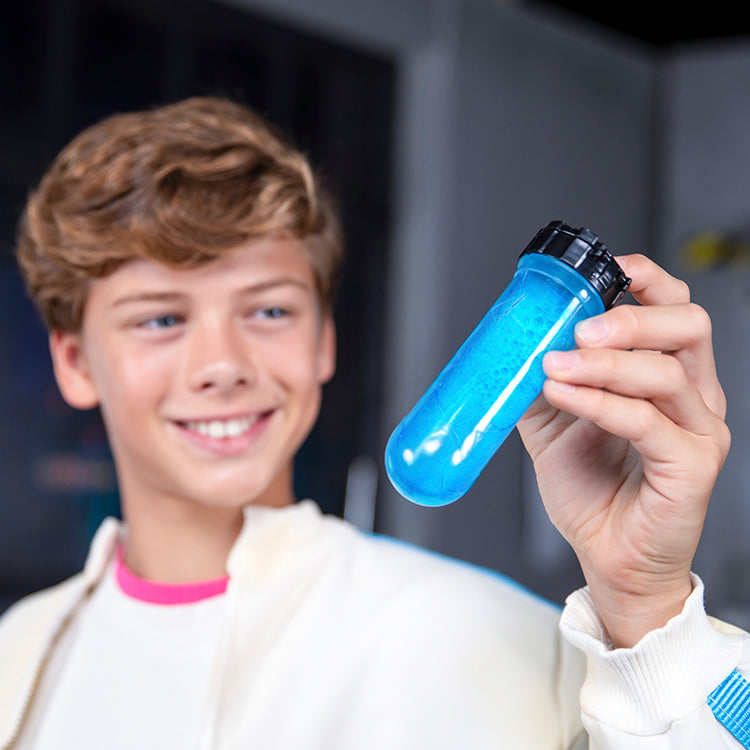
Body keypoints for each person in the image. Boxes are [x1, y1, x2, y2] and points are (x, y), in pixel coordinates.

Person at [0, 96, 747, 749]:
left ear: (323, 339)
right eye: (161, 318)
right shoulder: (19, 655)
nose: (222, 363)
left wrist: (647, 610)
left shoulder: (497, 641)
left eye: (269, 310)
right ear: (74, 362)